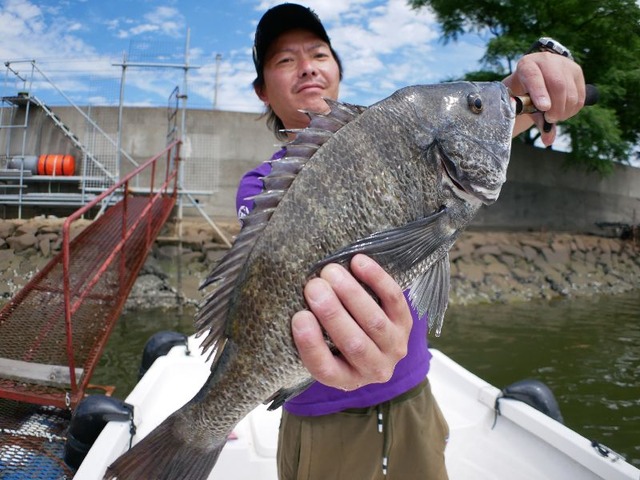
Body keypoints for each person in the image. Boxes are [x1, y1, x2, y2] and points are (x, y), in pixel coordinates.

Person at [237, 4, 587, 479]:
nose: (307, 66)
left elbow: (483, 119)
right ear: (262, 91)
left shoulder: (404, 135)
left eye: (319, 53)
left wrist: (544, 66)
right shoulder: (261, 187)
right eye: (284, 60)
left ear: (338, 70)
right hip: (318, 416)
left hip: (414, 399)